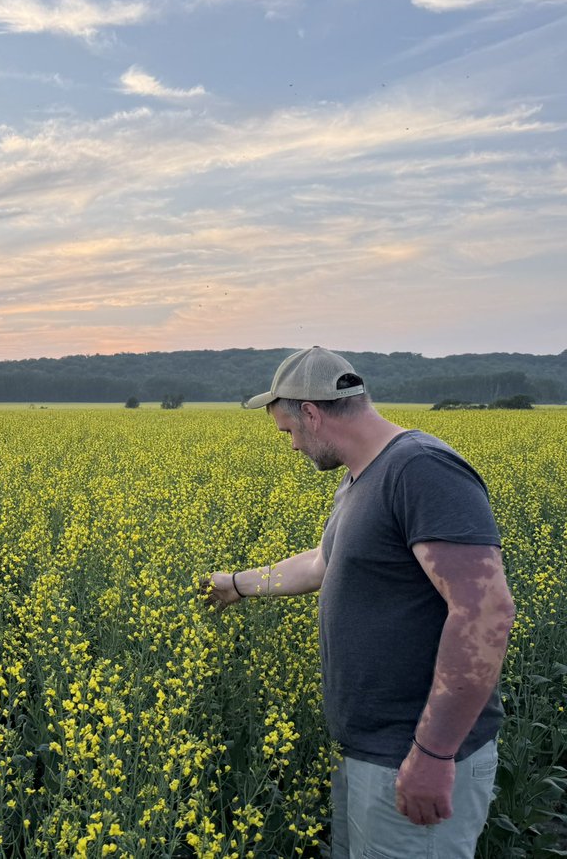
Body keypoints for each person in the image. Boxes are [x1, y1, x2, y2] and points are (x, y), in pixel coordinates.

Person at [207, 346, 515, 859]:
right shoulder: (361, 477)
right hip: (371, 752)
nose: (291, 448)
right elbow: (325, 564)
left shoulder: (420, 469)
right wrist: (237, 584)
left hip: (413, 755)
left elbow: (485, 611)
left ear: (311, 413)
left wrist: (434, 753)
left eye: (288, 432)